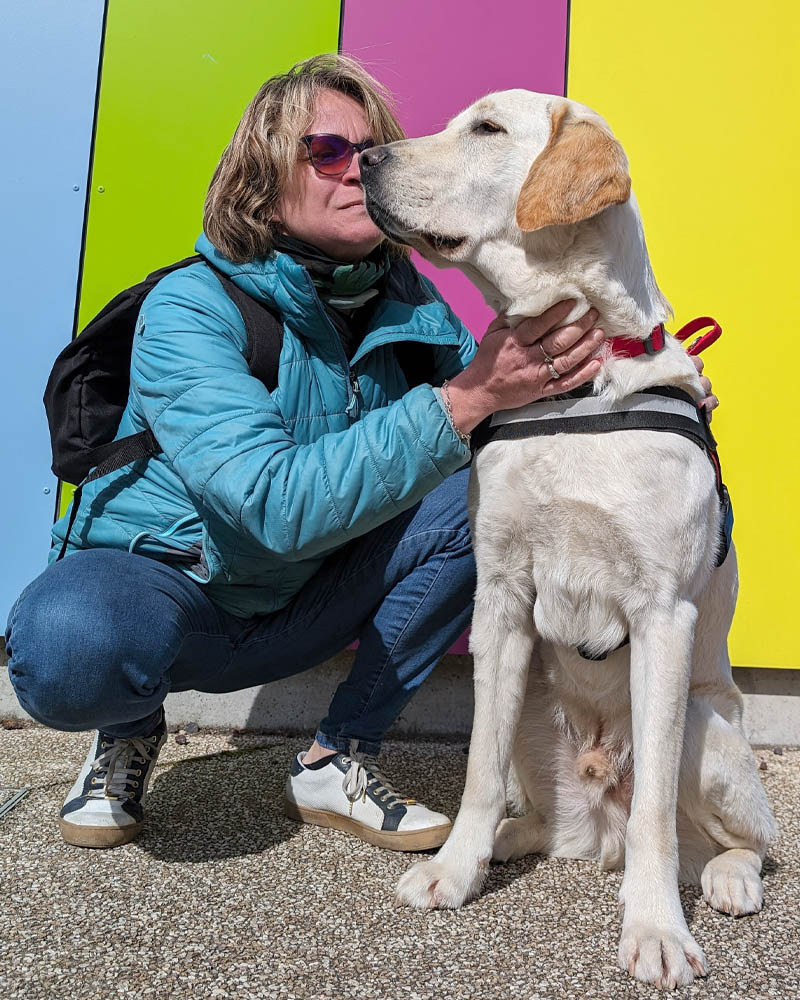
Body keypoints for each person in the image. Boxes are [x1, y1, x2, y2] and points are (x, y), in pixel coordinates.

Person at [5, 54, 713, 852]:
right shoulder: (189, 308)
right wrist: (470, 397)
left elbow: (530, 428)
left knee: (498, 486)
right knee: (67, 646)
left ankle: (336, 755)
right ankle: (128, 729)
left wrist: (652, 396)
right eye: (328, 153)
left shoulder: (412, 305)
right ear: (260, 178)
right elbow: (269, 505)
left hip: (312, 601)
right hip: (182, 592)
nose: (365, 167)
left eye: (374, 148)